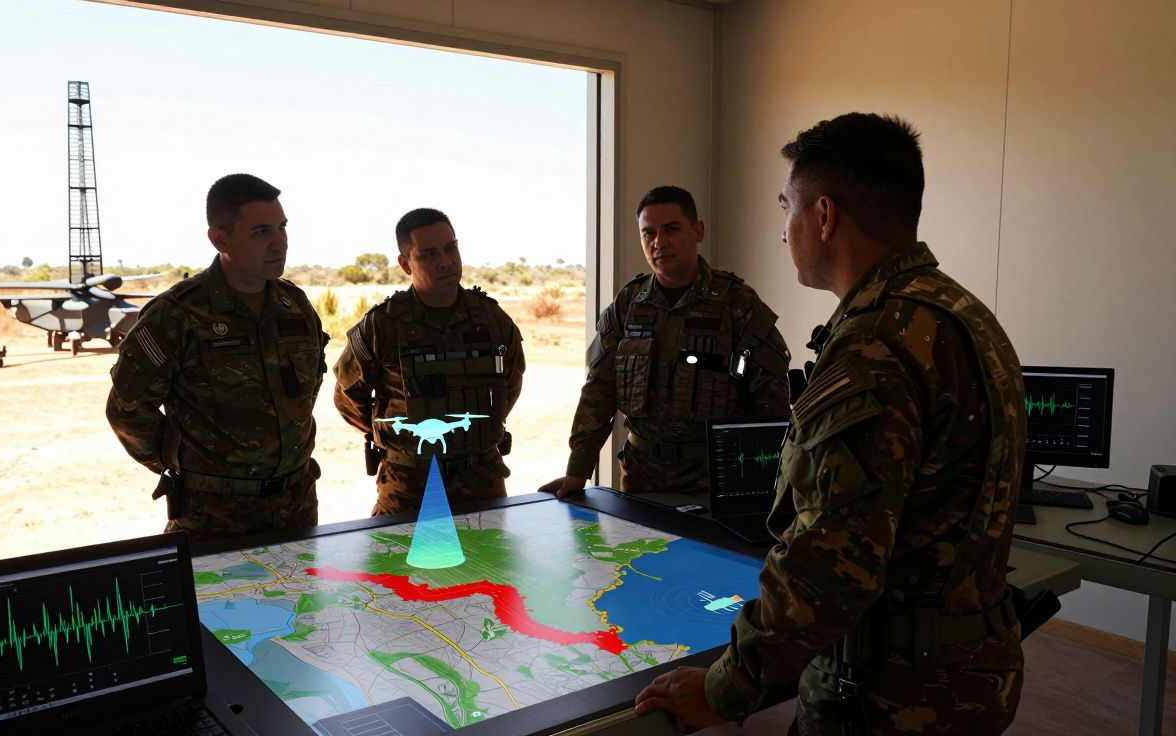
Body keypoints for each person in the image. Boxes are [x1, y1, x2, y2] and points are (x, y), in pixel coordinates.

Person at [633, 114, 1028, 734]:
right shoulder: (960, 313)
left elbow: (831, 564)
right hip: (968, 671)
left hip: (890, 693)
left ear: (823, 215)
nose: (782, 229)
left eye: (786, 207)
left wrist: (726, 685)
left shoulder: (876, 345)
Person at [106, 173, 328, 542]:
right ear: (219, 238)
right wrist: (185, 466)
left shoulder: (295, 306)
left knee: (297, 601)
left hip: (297, 506)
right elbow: (127, 410)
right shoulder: (177, 314)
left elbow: (307, 391)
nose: (279, 243)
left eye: (282, 227)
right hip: (214, 517)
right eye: (261, 231)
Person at [540, 185, 790, 499]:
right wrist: (578, 468)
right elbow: (599, 388)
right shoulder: (628, 303)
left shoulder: (737, 303)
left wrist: (762, 481)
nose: (659, 243)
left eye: (671, 230)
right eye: (649, 233)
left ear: (698, 231)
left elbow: (770, 400)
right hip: (640, 478)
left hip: (714, 482)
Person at [332, 208, 525, 515]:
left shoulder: (491, 319)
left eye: (451, 248)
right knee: (395, 564)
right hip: (409, 487)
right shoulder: (382, 326)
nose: (446, 262)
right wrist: (392, 436)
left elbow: (510, 383)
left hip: (482, 483)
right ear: (405, 264)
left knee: (489, 564)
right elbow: (348, 396)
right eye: (428, 254)